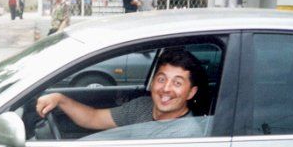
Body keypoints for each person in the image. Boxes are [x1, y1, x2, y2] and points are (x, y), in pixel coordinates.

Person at [36, 50, 209, 131]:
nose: (166, 89)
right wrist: (60, 99)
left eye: (177, 83)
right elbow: (93, 117)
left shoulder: (187, 133)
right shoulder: (142, 106)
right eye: (162, 79)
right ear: (153, 81)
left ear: (191, 93)